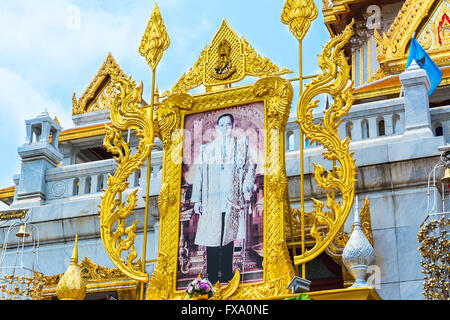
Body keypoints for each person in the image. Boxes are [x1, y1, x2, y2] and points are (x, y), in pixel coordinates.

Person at [190, 113, 255, 284]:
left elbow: (249, 168)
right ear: (217, 128)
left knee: (228, 237)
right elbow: (199, 176)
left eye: (229, 125)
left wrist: (246, 188)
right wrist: (197, 200)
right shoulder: (208, 150)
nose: (226, 128)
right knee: (212, 237)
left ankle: (226, 273)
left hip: (231, 199)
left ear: (233, 127)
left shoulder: (241, 147)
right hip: (212, 200)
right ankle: (211, 276)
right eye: (223, 125)